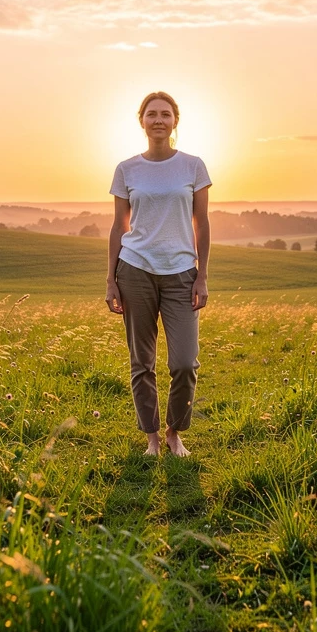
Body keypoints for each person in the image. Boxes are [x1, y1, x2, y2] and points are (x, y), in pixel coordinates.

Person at [105, 91, 211, 456]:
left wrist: (202, 275)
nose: (158, 120)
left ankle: (174, 431)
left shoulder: (193, 166)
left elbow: (202, 222)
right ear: (142, 121)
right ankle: (151, 437)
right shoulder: (127, 169)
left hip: (182, 272)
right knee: (142, 361)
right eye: (151, 114)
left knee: (184, 362)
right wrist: (110, 280)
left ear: (175, 121)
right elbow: (119, 224)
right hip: (134, 270)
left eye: (165, 114)